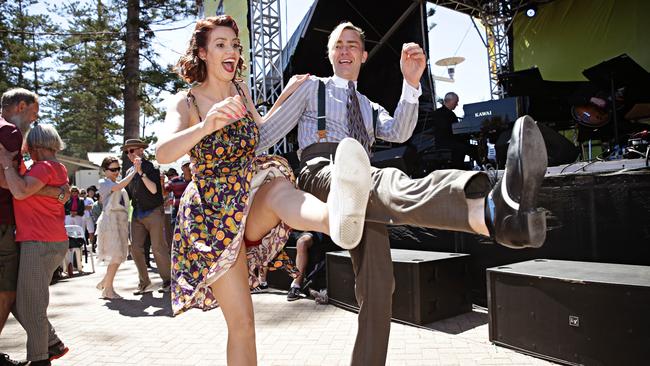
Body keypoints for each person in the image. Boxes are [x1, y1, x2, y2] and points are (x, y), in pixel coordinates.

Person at [258, 21, 548, 365]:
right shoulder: (311, 89)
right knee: (382, 179)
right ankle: (484, 209)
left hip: (361, 187)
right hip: (323, 171)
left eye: (353, 44)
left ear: (364, 56)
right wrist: (277, 98)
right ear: (331, 55)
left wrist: (411, 84)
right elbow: (264, 135)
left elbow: (398, 131)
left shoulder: (367, 105)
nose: (346, 50)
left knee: (379, 287)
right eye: (338, 45)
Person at [155, 15, 372, 365]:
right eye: (221, 45)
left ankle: (337, 217)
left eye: (235, 46)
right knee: (243, 325)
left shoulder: (241, 91)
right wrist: (207, 125)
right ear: (202, 53)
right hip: (212, 218)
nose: (232, 52)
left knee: (276, 187)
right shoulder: (188, 103)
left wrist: (286, 96)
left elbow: (263, 132)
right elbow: (163, 152)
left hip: (247, 192)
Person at [0, 88, 70, 366]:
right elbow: (25, 189)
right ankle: (50, 343)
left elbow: (18, 191)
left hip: (38, 242)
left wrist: (6, 164)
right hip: (42, 240)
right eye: (32, 114)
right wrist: (56, 193)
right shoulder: (44, 169)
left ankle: (40, 359)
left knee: (32, 305)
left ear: (36, 145)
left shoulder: (44, 168)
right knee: (22, 300)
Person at [123, 138, 172, 294]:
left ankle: (168, 281)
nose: (129, 154)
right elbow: (128, 195)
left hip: (153, 212)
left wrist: (141, 173)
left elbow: (154, 190)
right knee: (135, 249)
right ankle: (145, 282)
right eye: (126, 152)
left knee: (158, 248)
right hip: (137, 213)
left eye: (131, 150)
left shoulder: (150, 167)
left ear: (140, 151)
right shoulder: (128, 172)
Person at [94, 156, 135, 299]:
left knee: (119, 255)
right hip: (110, 222)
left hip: (120, 222)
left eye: (118, 169)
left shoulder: (116, 183)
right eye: (113, 169)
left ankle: (106, 282)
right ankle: (108, 288)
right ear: (105, 170)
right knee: (116, 255)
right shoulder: (104, 182)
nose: (116, 172)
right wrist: (134, 171)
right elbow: (119, 186)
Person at [430, 92, 479, 169]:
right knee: (472, 149)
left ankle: (461, 167)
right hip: (446, 143)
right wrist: (467, 136)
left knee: (467, 147)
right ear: (449, 101)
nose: (457, 104)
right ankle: (482, 167)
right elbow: (449, 131)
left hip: (446, 142)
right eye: (456, 102)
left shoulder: (441, 113)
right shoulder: (446, 114)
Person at [164, 159, 192, 228]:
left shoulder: (198, 180)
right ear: (182, 168)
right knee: (176, 231)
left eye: (189, 165)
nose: (188, 167)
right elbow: (164, 192)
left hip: (193, 209)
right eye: (186, 166)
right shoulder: (175, 181)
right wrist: (161, 182)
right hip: (177, 210)